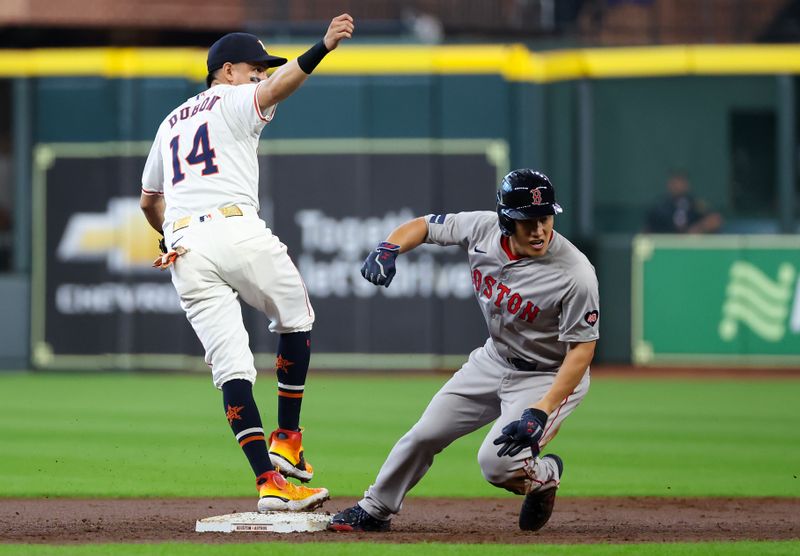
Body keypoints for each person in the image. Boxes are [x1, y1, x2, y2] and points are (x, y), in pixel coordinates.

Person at [139, 14, 355, 513]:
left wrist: (170, 234)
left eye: (263, 68)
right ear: (227, 70)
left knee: (231, 368)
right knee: (296, 317)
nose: (261, 74)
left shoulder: (168, 123)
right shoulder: (235, 99)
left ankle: (269, 483)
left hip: (184, 247)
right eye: (254, 67)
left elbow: (150, 202)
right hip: (235, 228)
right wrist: (321, 46)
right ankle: (288, 440)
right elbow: (281, 86)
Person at [328, 169, 599, 532]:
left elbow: (581, 350)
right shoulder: (482, 228)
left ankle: (544, 474)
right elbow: (424, 226)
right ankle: (375, 509)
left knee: (497, 465)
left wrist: (541, 409)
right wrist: (388, 247)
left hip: (547, 375)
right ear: (506, 220)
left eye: (545, 218)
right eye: (527, 221)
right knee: (425, 433)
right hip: (494, 359)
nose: (539, 230)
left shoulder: (575, 273)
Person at [645, 171, 722, 233]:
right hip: (667, 244)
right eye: (675, 182)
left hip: (692, 245)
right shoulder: (659, 206)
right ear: (669, 184)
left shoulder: (696, 204)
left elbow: (715, 220)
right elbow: (648, 230)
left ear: (687, 184)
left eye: (681, 182)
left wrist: (699, 227)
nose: (678, 186)